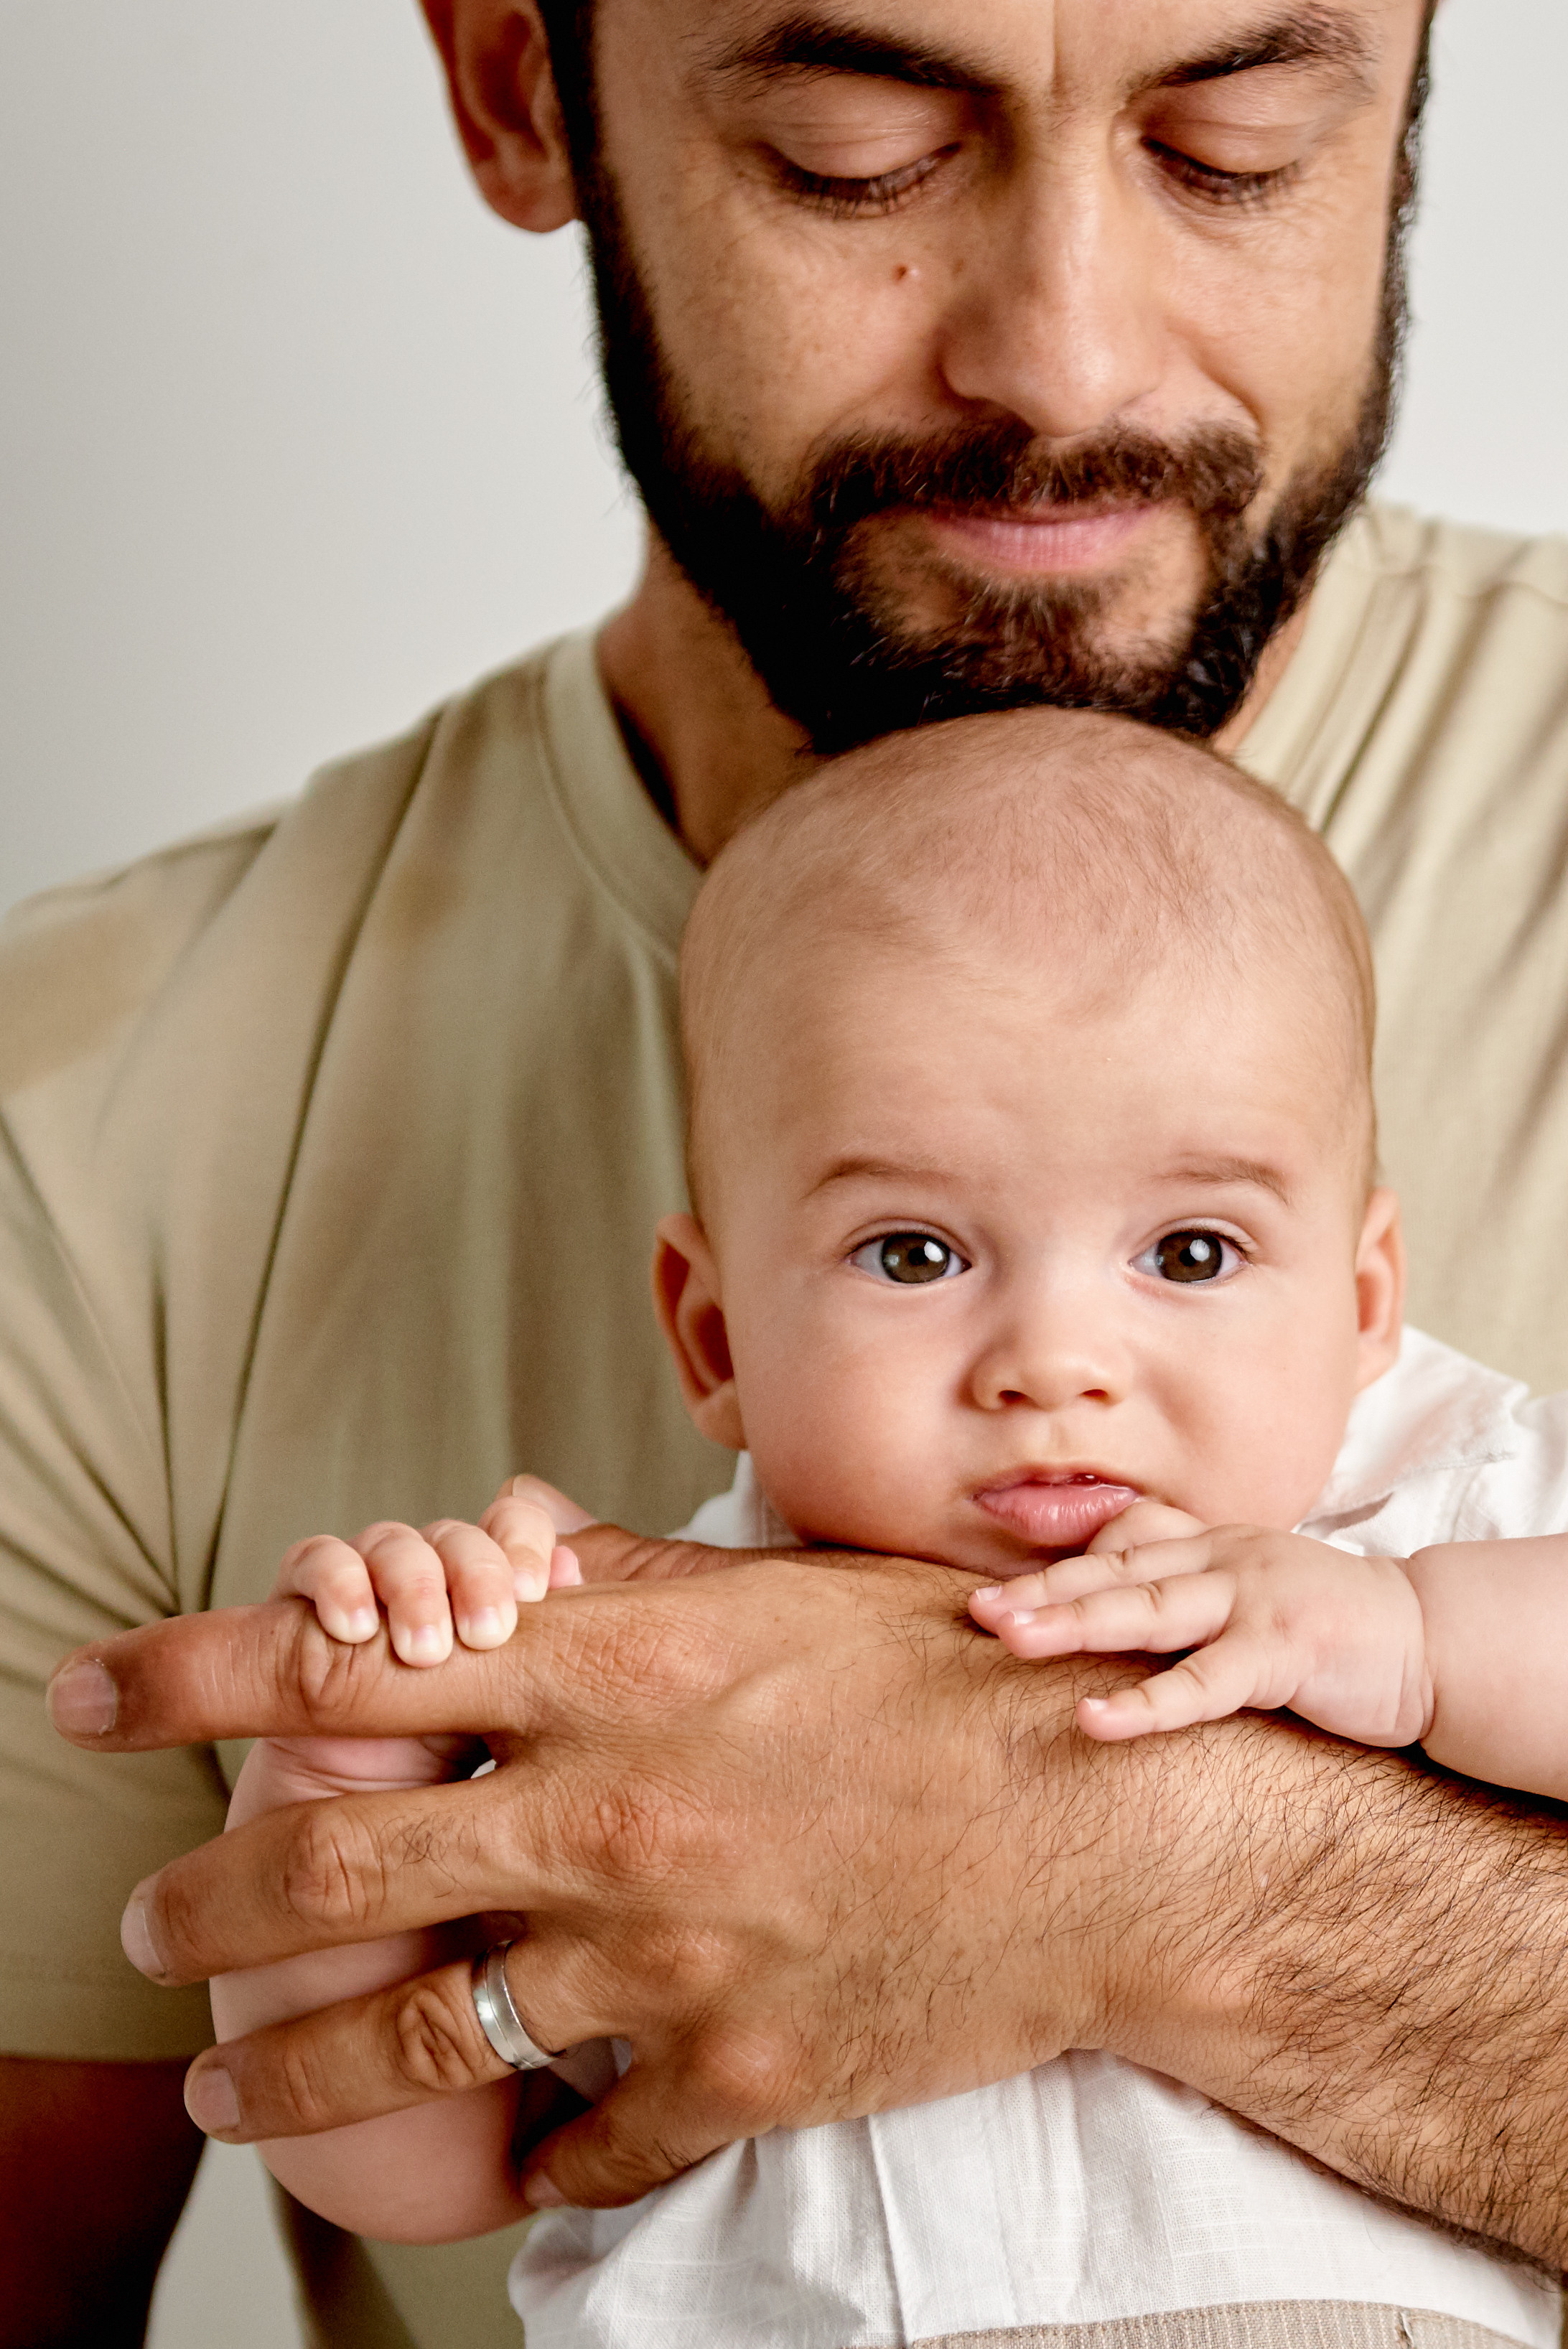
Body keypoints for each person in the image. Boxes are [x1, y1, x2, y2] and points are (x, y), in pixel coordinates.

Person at [10, 0, 1568, 2343]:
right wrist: (346, 1799)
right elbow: (377, 2147)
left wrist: (1161, 1874)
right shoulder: (84, 1134)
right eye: (854, 154)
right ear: (519, 84)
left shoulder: (1427, 1486)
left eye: (1236, 141)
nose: (1065, 358)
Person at [210, 709, 1568, 2348]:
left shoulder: (1437, 1505)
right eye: (913, 1253)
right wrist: (350, 1779)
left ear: (1361, 1304)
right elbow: (427, 2173)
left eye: (1192, 1252)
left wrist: (1418, 1641)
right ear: (716, 1335)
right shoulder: (616, 1671)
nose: (1056, 1361)